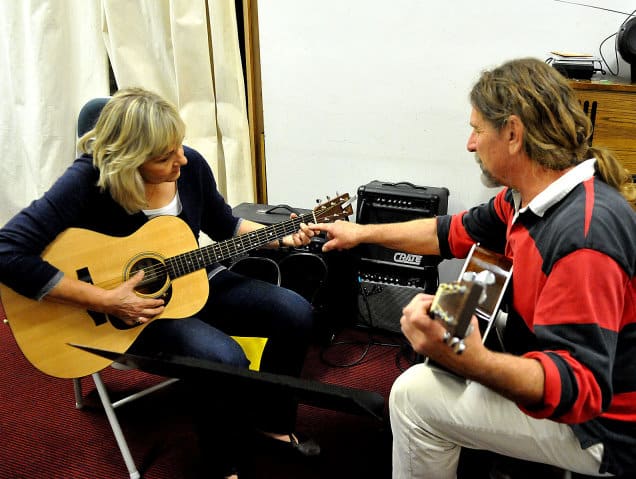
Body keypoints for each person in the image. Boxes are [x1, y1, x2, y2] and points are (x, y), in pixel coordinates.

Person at [310, 58, 636, 478]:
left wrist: (470, 359)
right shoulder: (526, 197)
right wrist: (360, 233)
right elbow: (449, 233)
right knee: (477, 279)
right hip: (555, 370)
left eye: (478, 130)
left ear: (513, 134)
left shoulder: (584, 236)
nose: (469, 143)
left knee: (414, 397)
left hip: (603, 434)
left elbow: (578, 391)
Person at [0, 87, 320, 479]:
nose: (180, 159)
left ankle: (270, 420)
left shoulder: (191, 166)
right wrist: (104, 299)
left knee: (294, 311)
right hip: (130, 311)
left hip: (194, 279)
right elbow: (6, 251)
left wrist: (279, 235)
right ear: (129, 159)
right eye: (165, 156)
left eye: (179, 146)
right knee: (224, 358)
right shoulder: (89, 179)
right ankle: (225, 467)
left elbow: (225, 224)